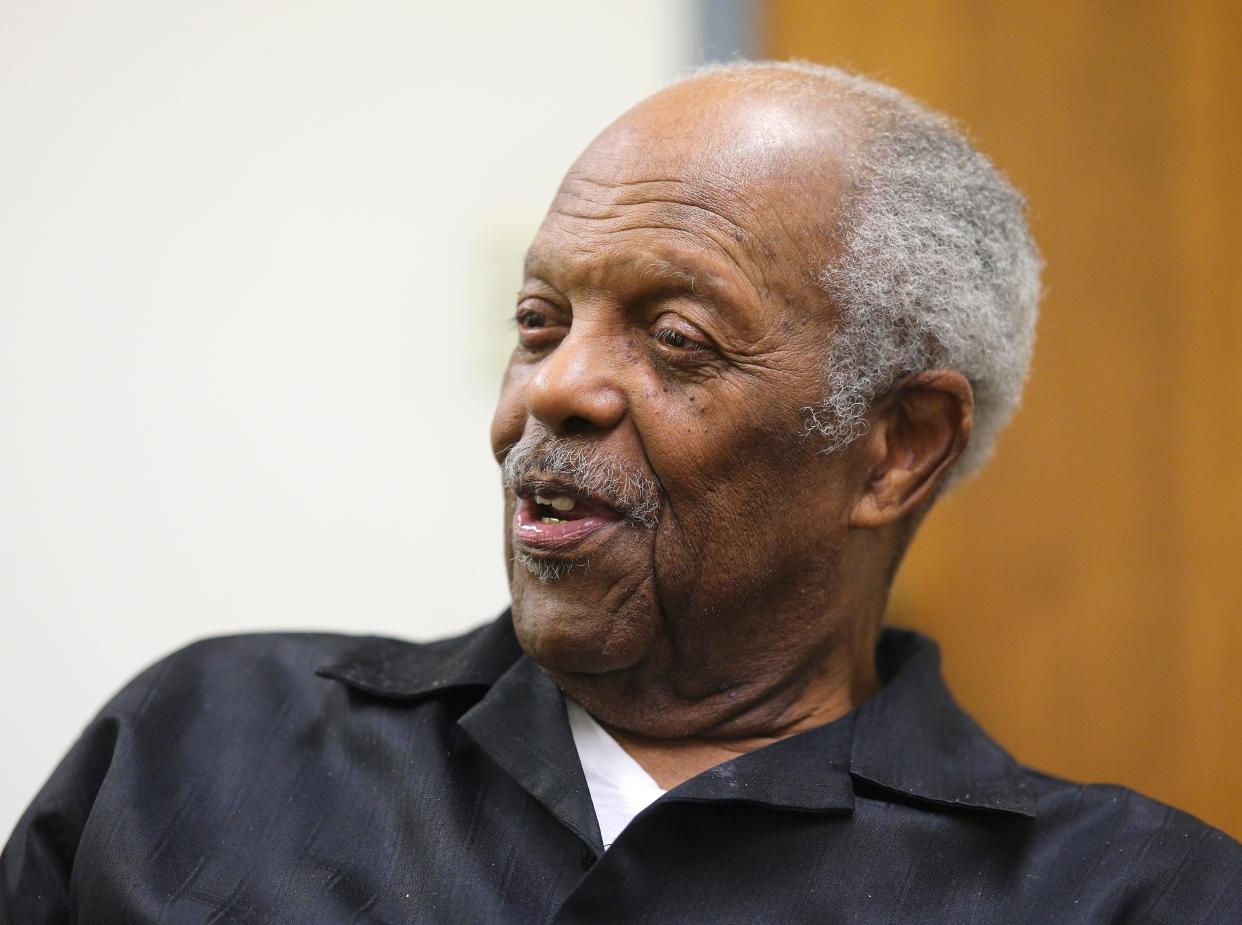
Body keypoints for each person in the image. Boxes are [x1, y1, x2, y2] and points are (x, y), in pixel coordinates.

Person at [3, 60, 1239, 924]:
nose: (557, 390)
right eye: (540, 322)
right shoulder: (201, 749)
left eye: (677, 338)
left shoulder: (1135, 898)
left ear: (896, 447)